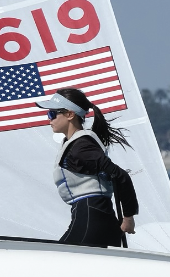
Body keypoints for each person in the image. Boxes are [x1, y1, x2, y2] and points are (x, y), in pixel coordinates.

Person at [34, 88, 138, 248]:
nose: (49, 119)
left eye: (52, 114)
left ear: (70, 115)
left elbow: (120, 175)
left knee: (54, 259)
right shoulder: (77, 144)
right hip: (97, 216)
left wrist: (128, 217)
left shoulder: (82, 147)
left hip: (92, 216)